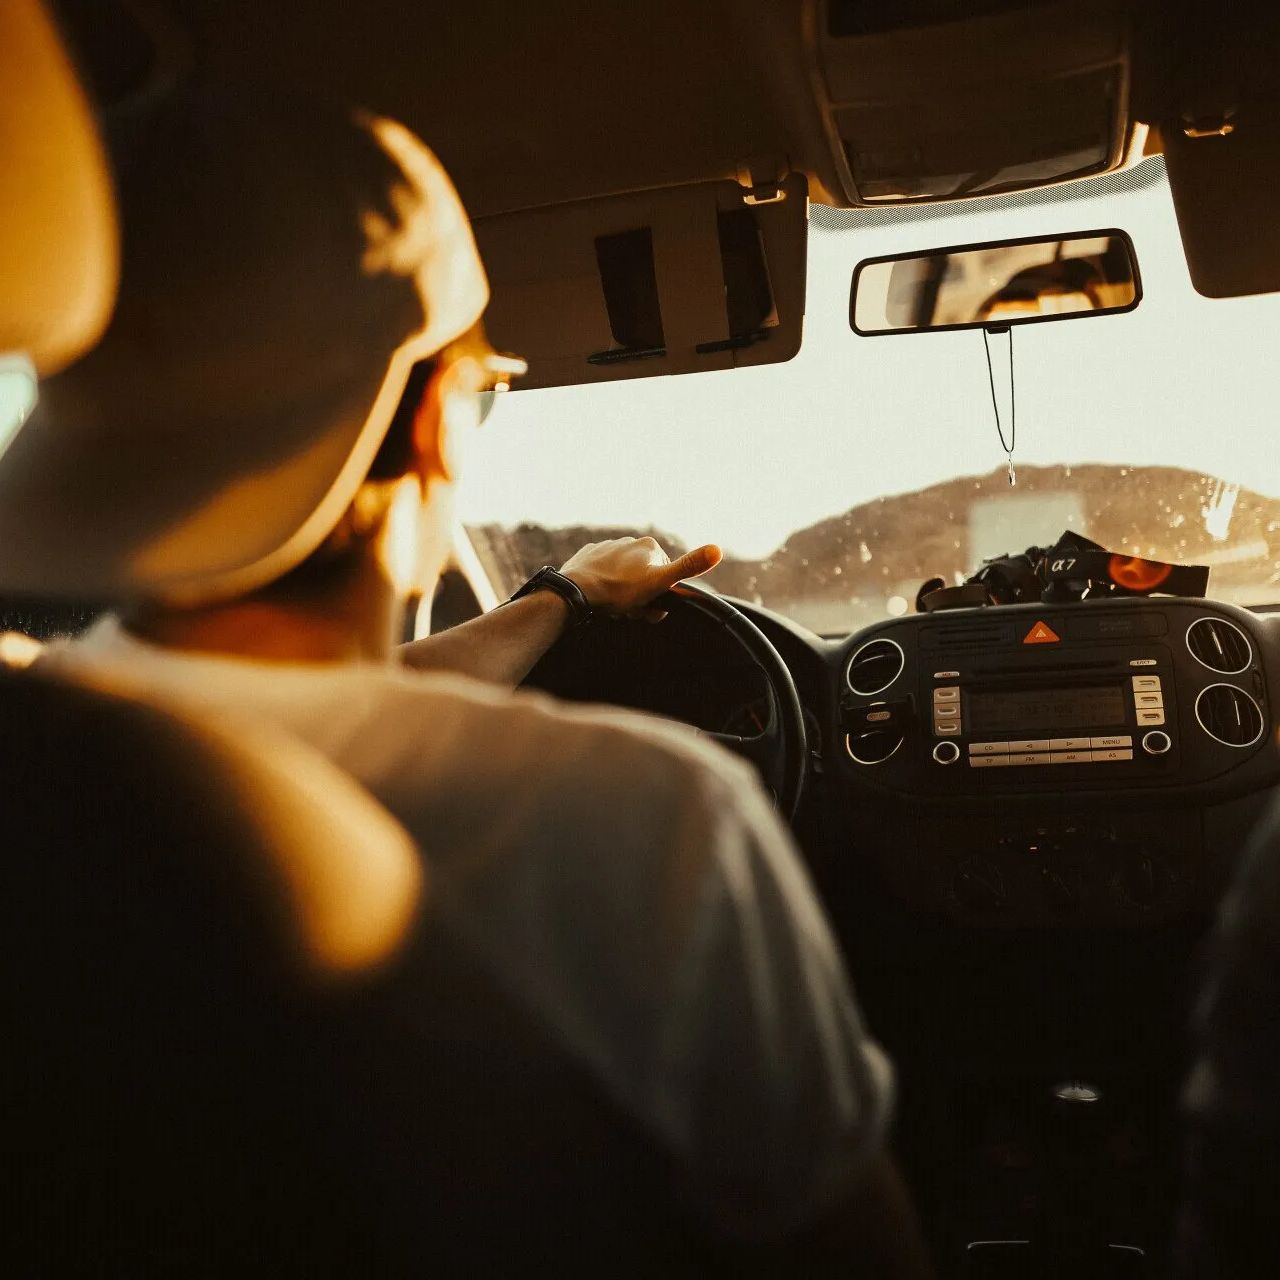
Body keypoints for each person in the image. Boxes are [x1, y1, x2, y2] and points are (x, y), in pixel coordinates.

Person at [0, 81, 928, 1268]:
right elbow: (847, 1249)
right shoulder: (643, 818)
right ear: (437, 421)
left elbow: (303, 711)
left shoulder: (42, 767)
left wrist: (558, 597)